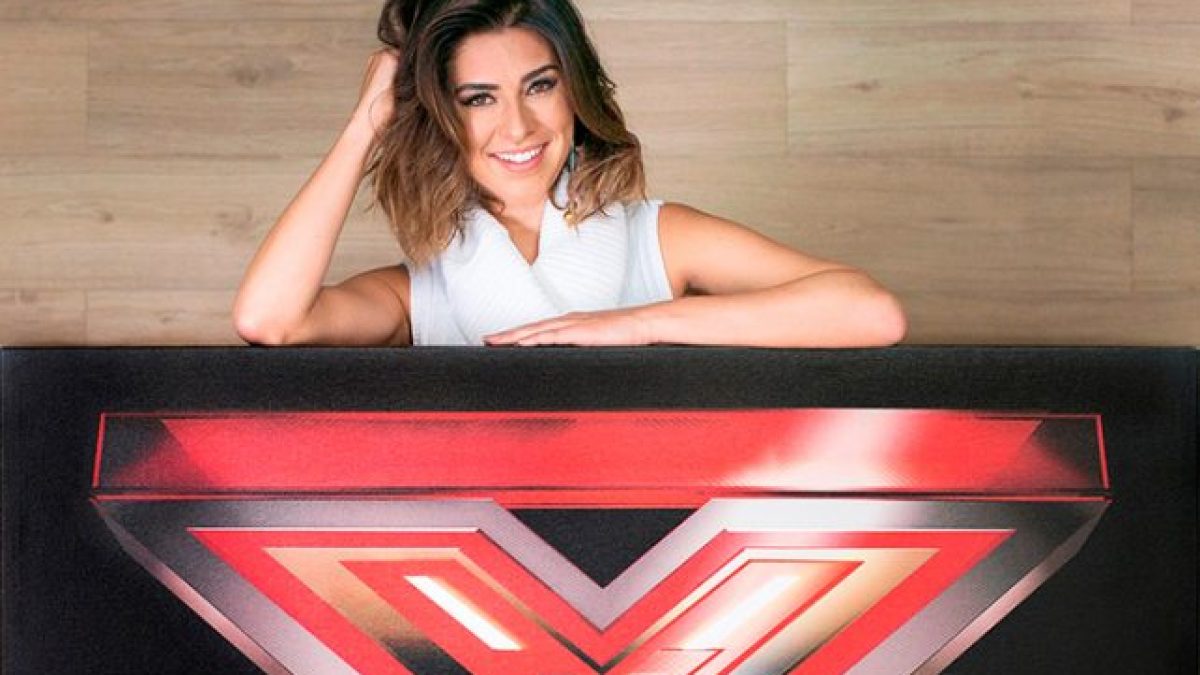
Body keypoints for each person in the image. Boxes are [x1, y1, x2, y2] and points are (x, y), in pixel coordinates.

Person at [233, 0, 906, 348]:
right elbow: (268, 319)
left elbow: (869, 312)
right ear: (441, 114)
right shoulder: (420, 293)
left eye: (540, 85)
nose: (518, 127)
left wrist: (635, 324)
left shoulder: (657, 238)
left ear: (574, 90)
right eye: (479, 99)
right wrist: (366, 124)